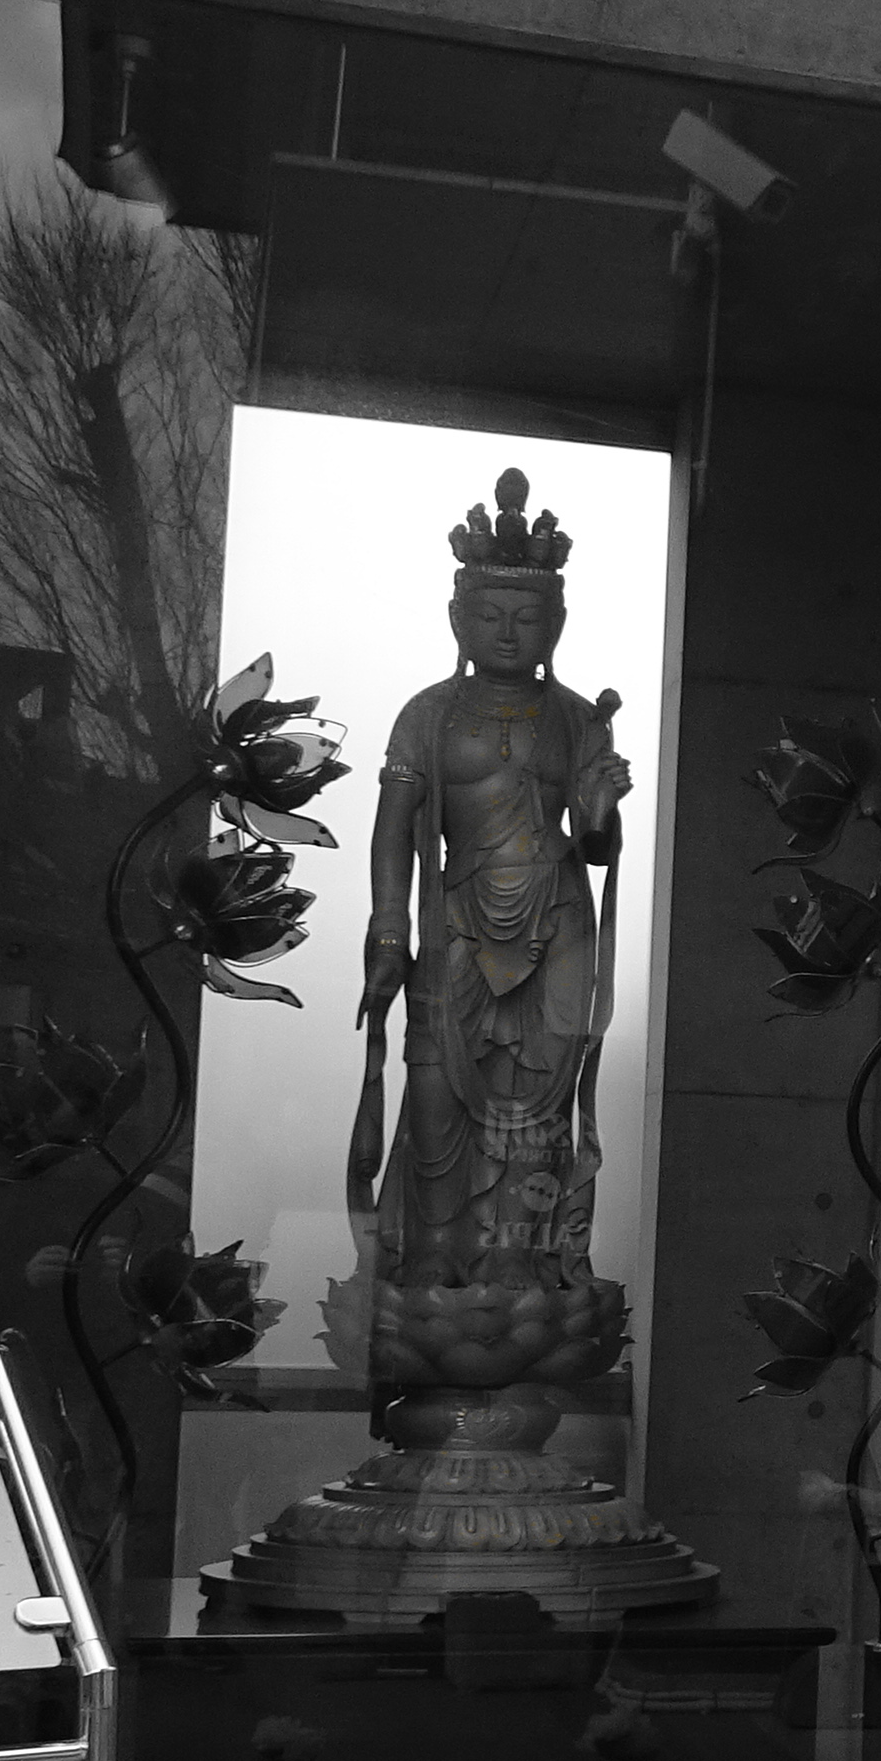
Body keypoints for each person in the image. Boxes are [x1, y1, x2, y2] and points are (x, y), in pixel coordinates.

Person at [353, 470, 632, 1294]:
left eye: (527, 617)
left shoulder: (578, 718)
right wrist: (389, 930)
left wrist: (599, 810)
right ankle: (434, 1254)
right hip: (459, 919)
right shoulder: (426, 715)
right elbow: (393, 831)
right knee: (436, 1083)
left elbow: (595, 846)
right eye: (490, 615)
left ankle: (519, 1258)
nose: (508, 633)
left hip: (557, 919)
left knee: (539, 1101)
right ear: (457, 619)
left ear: (557, 624)